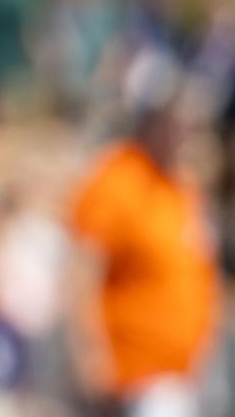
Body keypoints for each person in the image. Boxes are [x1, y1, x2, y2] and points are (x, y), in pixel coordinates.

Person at [66, 51, 218, 416]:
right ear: (151, 120)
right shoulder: (117, 179)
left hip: (179, 372)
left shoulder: (179, 186)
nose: (187, 132)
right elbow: (82, 273)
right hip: (134, 372)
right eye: (178, 121)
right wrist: (89, 354)